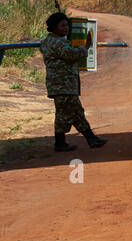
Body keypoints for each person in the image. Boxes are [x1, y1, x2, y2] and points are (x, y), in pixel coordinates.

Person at [40, 11, 107, 152]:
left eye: (67, 25)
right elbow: (71, 54)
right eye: (62, 26)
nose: (66, 28)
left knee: (74, 112)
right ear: (54, 27)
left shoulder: (52, 40)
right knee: (67, 113)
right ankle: (62, 143)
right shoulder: (57, 42)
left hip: (62, 84)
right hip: (62, 84)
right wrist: (86, 47)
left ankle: (90, 139)